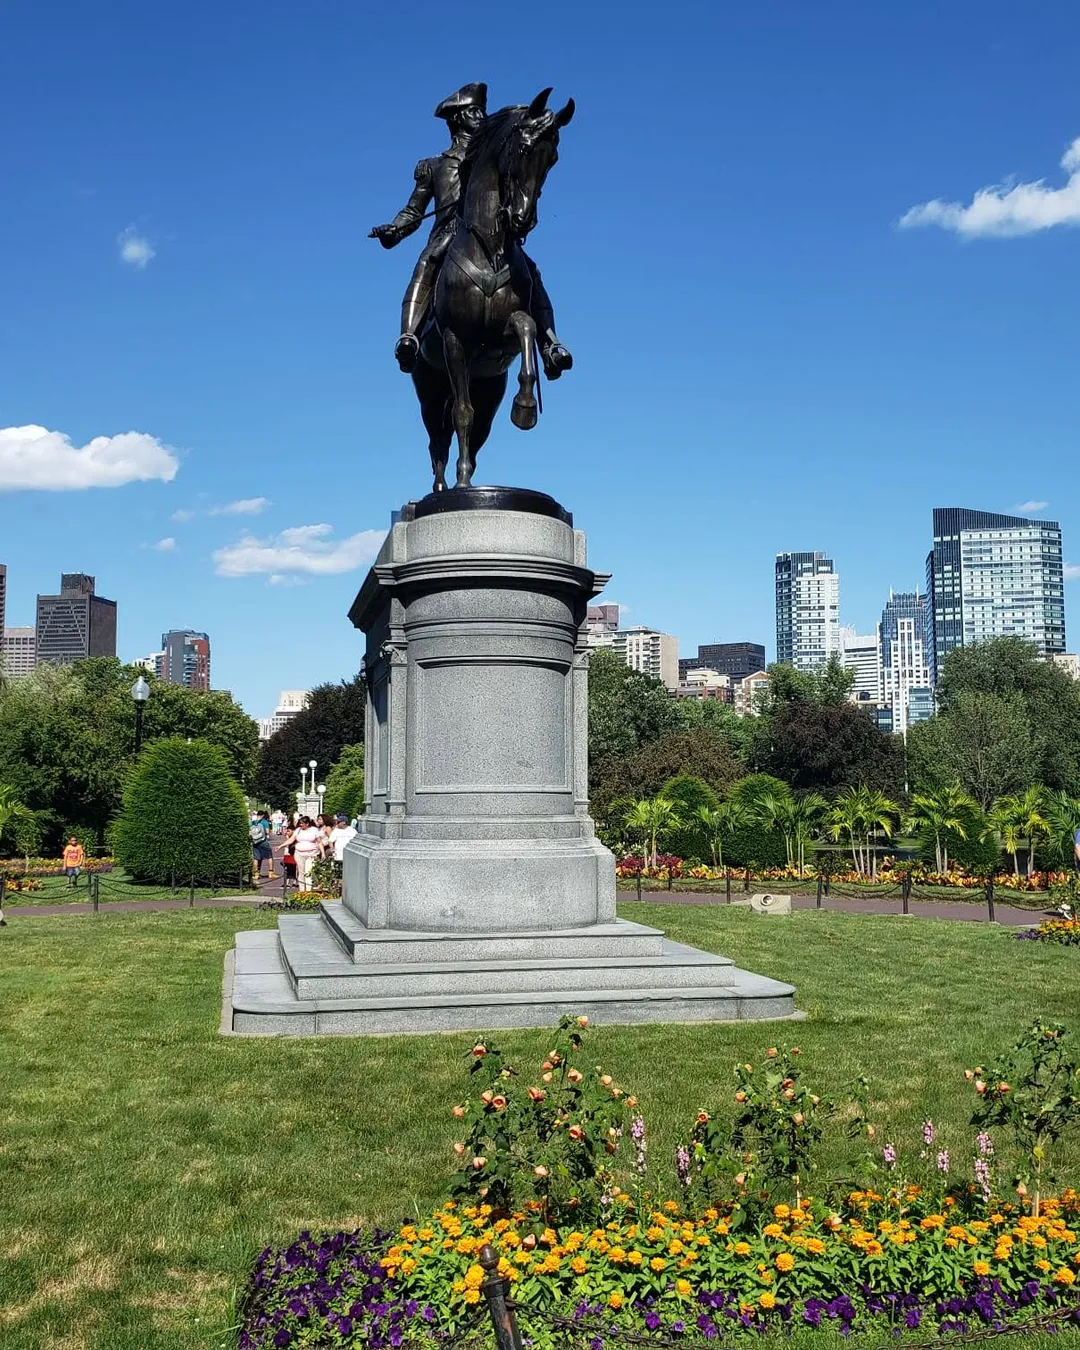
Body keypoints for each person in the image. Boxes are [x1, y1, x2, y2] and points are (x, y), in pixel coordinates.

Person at [369, 82, 572, 381]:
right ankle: (409, 335)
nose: (481, 116)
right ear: (457, 118)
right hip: (450, 233)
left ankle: (549, 344)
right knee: (427, 261)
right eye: (474, 111)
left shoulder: (494, 156)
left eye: (481, 111)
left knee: (530, 269)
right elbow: (413, 211)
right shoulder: (434, 166)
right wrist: (395, 230)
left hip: (493, 235)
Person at [286, 815, 323, 892]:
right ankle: (302, 890)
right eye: (300, 823)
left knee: (308, 872)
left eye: (302, 823)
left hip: (311, 854)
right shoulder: (298, 830)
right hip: (299, 854)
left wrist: (323, 852)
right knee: (301, 872)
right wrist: (281, 846)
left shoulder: (314, 830)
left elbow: (319, 842)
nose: (300, 825)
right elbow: (291, 839)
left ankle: (308, 890)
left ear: (307, 824)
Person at [250, 810, 276, 883]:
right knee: (270, 857)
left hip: (255, 842)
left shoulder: (252, 822)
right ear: (262, 815)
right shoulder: (264, 822)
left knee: (256, 858)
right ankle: (271, 872)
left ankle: (256, 874)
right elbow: (267, 831)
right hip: (263, 841)